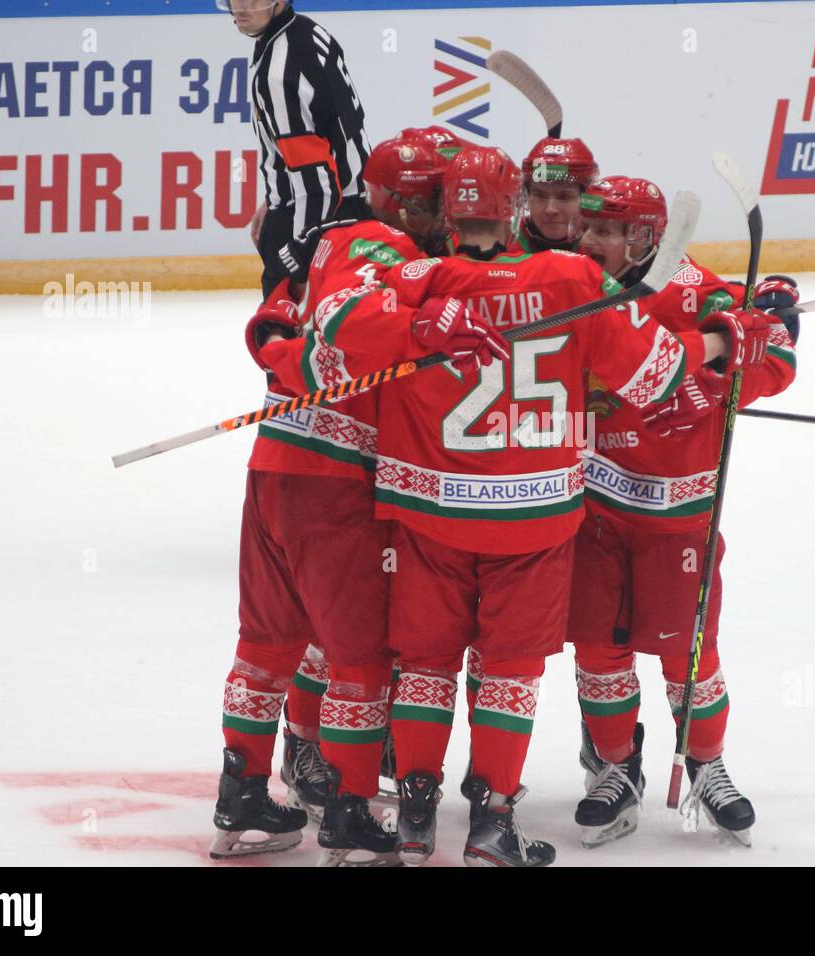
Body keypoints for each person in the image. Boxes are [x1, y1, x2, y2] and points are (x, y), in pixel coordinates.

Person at [293, 146, 764, 866]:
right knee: (509, 671)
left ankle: (416, 814)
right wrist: (718, 341)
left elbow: (337, 322)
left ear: (448, 213)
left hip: (428, 514)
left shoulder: (419, 279)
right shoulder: (575, 278)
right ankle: (492, 823)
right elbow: (656, 378)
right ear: (515, 210)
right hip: (535, 519)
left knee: (424, 663)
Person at [212, 131, 461, 865]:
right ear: (404, 202)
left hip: (275, 465)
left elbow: (276, 318)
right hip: (336, 480)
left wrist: (282, 354)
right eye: (438, 199)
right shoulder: (393, 254)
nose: (449, 212)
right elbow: (352, 330)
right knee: (361, 654)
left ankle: (242, 791)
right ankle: (350, 809)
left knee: (268, 642)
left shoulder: (329, 239)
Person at [567, 175, 799, 848]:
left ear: (643, 238)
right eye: (588, 228)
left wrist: (723, 372)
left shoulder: (698, 293)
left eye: (604, 231)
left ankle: (706, 764)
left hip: (678, 517)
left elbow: (777, 358)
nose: (589, 241)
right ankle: (613, 770)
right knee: (598, 650)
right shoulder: (577, 283)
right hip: (596, 508)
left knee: (688, 656)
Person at [220, 0, 371, 297]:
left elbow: (316, 181)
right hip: (355, 206)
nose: (240, 8)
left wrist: (302, 257)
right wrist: (277, 196)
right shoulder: (308, 31)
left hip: (321, 219)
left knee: (281, 334)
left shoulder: (278, 75)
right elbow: (329, 136)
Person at [510, 137, 600, 254]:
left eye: (564, 197)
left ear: (586, 201)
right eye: (540, 196)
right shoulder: (504, 243)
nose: (550, 210)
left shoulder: (602, 250)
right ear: (526, 196)